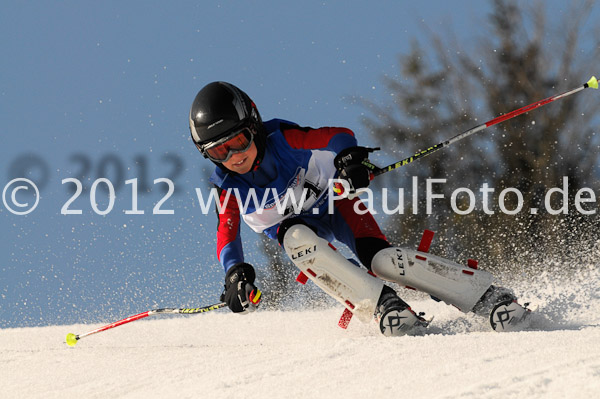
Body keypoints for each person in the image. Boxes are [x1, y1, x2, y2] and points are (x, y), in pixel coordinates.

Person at [188, 81, 530, 336]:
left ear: (254, 126)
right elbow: (226, 235)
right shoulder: (229, 188)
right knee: (295, 238)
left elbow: (337, 135)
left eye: (238, 141)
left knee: (380, 259)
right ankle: (384, 306)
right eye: (220, 152)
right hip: (293, 230)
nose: (234, 156)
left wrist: (349, 159)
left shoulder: (282, 139)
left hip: (335, 202)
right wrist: (235, 274)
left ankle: (486, 295)